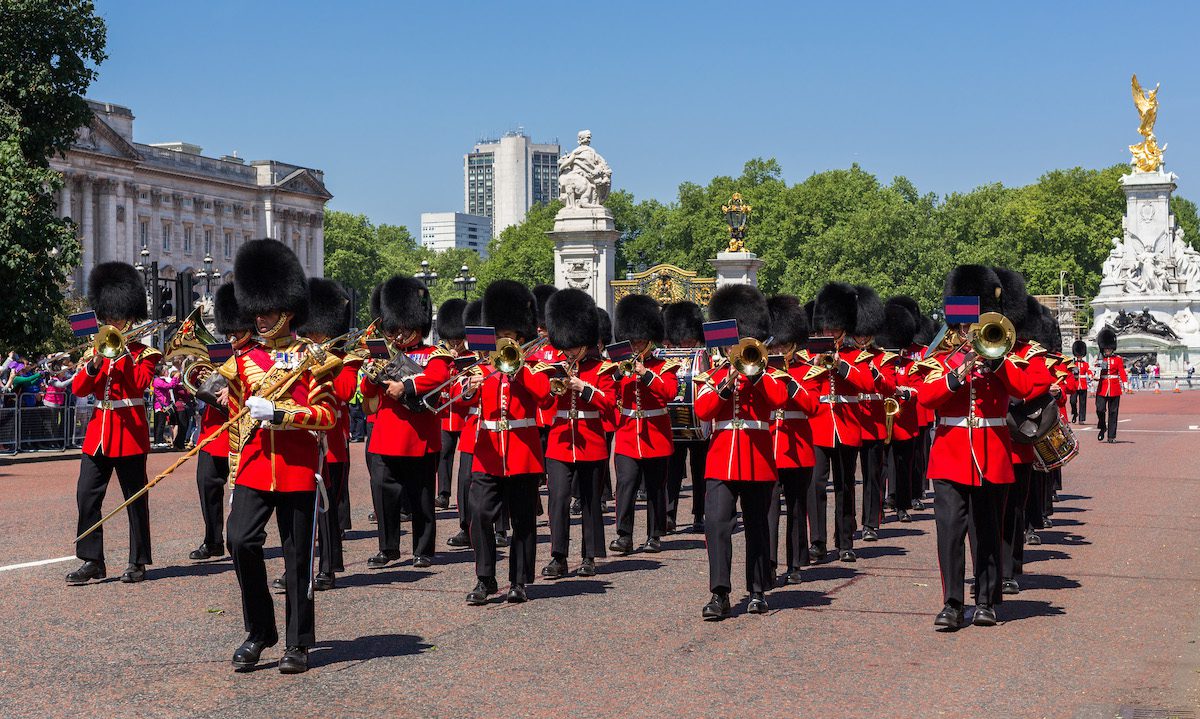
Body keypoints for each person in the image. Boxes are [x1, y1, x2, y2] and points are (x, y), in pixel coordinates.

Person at [222, 238, 337, 674]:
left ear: (286, 310)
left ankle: (297, 642)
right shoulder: (243, 361)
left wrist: (283, 413)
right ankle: (260, 631)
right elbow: (236, 423)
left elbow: (326, 416)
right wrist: (234, 477)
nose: (260, 318)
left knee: (296, 558)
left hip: (295, 469)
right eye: (257, 310)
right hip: (254, 467)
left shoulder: (314, 360)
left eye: (267, 311)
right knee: (240, 541)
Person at [916, 265, 1031, 630]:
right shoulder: (941, 360)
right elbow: (925, 398)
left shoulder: (1002, 357)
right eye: (966, 325)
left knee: (986, 531)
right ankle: (952, 602)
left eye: (976, 323)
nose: (971, 331)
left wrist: (995, 364)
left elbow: (1024, 387)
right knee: (949, 531)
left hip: (991, 454)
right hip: (950, 456)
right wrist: (957, 373)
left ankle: (986, 600)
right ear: (957, 324)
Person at [695, 284, 789, 619]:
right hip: (721, 459)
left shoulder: (769, 373)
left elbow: (780, 399)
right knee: (717, 525)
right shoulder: (714, 374)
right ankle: (719, 593)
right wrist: (726, 384)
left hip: (758, 459)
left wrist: (756, 375)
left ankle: (758, 590)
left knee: (757, 527)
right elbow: (703, 410)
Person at [67, 262, 161, 585]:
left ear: (129, 315)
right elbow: (79, 388)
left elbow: (138, 384)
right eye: (107, 316)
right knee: (86, 495)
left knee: (135, 498)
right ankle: (93, 559)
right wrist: (94, 363)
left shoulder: (145, 353)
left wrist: (122, 355)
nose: (111, 321)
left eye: (116, 316)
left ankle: (138, 560)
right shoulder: (98, 348)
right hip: (99, 434)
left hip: (129, 432)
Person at [463, 280, 556, 605]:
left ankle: (519, 581)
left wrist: (520, 371)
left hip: (522, 453)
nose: (504, 340)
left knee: (523, 521)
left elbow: (545, 398)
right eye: (499, 333)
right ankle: (485, 578)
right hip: (487, 453)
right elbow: (459, 403)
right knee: (479, 514)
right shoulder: (480, 367)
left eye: (510, 335)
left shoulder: (534, 367)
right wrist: (470, 386)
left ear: (520, 336)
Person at [360, 276, 452, 570]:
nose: (399, 334)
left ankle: (423, 549)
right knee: (384, 495)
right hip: (387, 434)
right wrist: (371, 378)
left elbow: (438, 377)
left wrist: (407, 387)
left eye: (405, 327)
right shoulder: (383, 355)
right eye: (395, 328)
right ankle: (388, 548)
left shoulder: (432, 354)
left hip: (418, 435)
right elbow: (367, 393)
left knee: (422, 496)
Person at [540, 289, 616, 579]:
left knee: (589, 501)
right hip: (560, 441)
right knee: (558, 499)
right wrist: (549, 387)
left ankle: (588, 555)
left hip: (591, 441)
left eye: (574, 345)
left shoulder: (603, 370)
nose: (570, 351)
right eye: (566, 345)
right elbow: (544, 403)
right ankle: (558, 556)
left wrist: (584, 389)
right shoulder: (552, 368)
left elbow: (610, 406)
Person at [808, 283, 876, 563]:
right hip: (819, 426)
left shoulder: (854, 356)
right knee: (816, 485)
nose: (830, 334)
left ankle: (846, 541)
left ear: (844, 329)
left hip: (846, 427)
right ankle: (818, 541)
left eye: (834, 329)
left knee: (845, 486)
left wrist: (840, 365)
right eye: (826, 329)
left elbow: (867, 383)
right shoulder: (810, 355)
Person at [188, 283, 254, 562]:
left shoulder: (257, 354)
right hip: (213, 432)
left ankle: (242, 539)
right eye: (230, 330)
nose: (232, 336)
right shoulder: (220, 350)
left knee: (243, 492)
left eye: (237, 331)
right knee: (207, 486)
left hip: (243, 432)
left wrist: (235, 389)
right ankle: (212, 539)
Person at [609, 294, 679, 555]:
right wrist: (617, 374)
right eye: (633, 341)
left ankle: (654, 534)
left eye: (640, 341)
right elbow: (610, 391)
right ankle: (624, 535)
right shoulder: (619, 365)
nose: (636, 346)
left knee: (655, 487)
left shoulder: (665, 366)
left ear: (650, 340)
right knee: (625, 484)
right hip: (628, 432)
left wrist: (647, 374)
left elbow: (670, 392)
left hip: (656, 432)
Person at [299, 277, 358, 590]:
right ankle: (306, 565)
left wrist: (322, 365)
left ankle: (326, 569)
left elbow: (346, 392)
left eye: (316, 332)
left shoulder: (346, 360)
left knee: (327, 510)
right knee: (302, 510)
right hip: (301, 442)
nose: (311, 337)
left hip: (331, 444)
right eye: (308, 332)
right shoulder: (297, 358)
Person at [764, 294, 821, 585]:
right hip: (767, 448)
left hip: (797, 447)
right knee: (769, 509)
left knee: (797, 507)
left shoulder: (807, 371)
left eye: (782, 345)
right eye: (774, 344)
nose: (778, 350)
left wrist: (790, 382)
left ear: (793, 343)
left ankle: (796, 561)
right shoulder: (760, 369)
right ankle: (770, 563)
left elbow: (813, 406)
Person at [848, 286, 899, 544]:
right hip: (851, 420)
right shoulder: (844, 356)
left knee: (872, 476)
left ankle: (871, 522)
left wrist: (875, 373)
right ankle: (847, 524)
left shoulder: (884, 358)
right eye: (858, 333)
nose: (862, 337)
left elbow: (892, 386)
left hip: (874, 421)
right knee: (847, 479)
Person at [662, 301, 710, 534]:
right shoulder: (670, 355)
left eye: (689, 338)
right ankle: (669, 513)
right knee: (673, 470)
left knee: (700, 470)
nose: (686, 343)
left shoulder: (708, 355)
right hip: (675, 420)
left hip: (700, 420)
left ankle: (699, 514)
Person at [434, 298, 471, 511]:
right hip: (445, 415)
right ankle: (443, 493)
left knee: (466, 462)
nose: (455, 344)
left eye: (458, 340)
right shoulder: (443, 356)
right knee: (443, 455)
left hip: (463, 415)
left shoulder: (471, 356)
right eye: (452, 340)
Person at [1094, 328, 1127, 443]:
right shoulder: (1099, 359)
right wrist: (1096, 368)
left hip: (1114, 388)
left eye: (1109, 348)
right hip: (1102, 388)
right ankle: (1102, 426)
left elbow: (1121, 371)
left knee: (1113, 412)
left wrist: (1126, 384)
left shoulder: (1118, 359)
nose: (1107, 350)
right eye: (1105, 348)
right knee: (1100, 409)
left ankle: (1111, 436)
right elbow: (1095, 371)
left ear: (1112, 348)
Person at [151, 364, 179, 449]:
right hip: (160, 406)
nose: (167, 372)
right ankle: (158, 441)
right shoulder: (157, 380)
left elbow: (172, 385)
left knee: (161, 424)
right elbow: (170, 386)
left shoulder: (160, 380)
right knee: (160, 424)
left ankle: (158, 440)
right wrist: (175, 378)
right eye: (166, 370)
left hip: (163, 405)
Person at [1068, 340, 1090, 423]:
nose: (1079, 356)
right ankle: (1074, 413)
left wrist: (1091, 375)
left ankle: (1081, 419)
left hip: (1083, 385)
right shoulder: (1072, 364)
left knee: (1083, 403)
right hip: (1074, 385)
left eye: (1080, 355)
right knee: (1072, 401)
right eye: (1078, 355)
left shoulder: (1085, 364)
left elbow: (1088, 371)